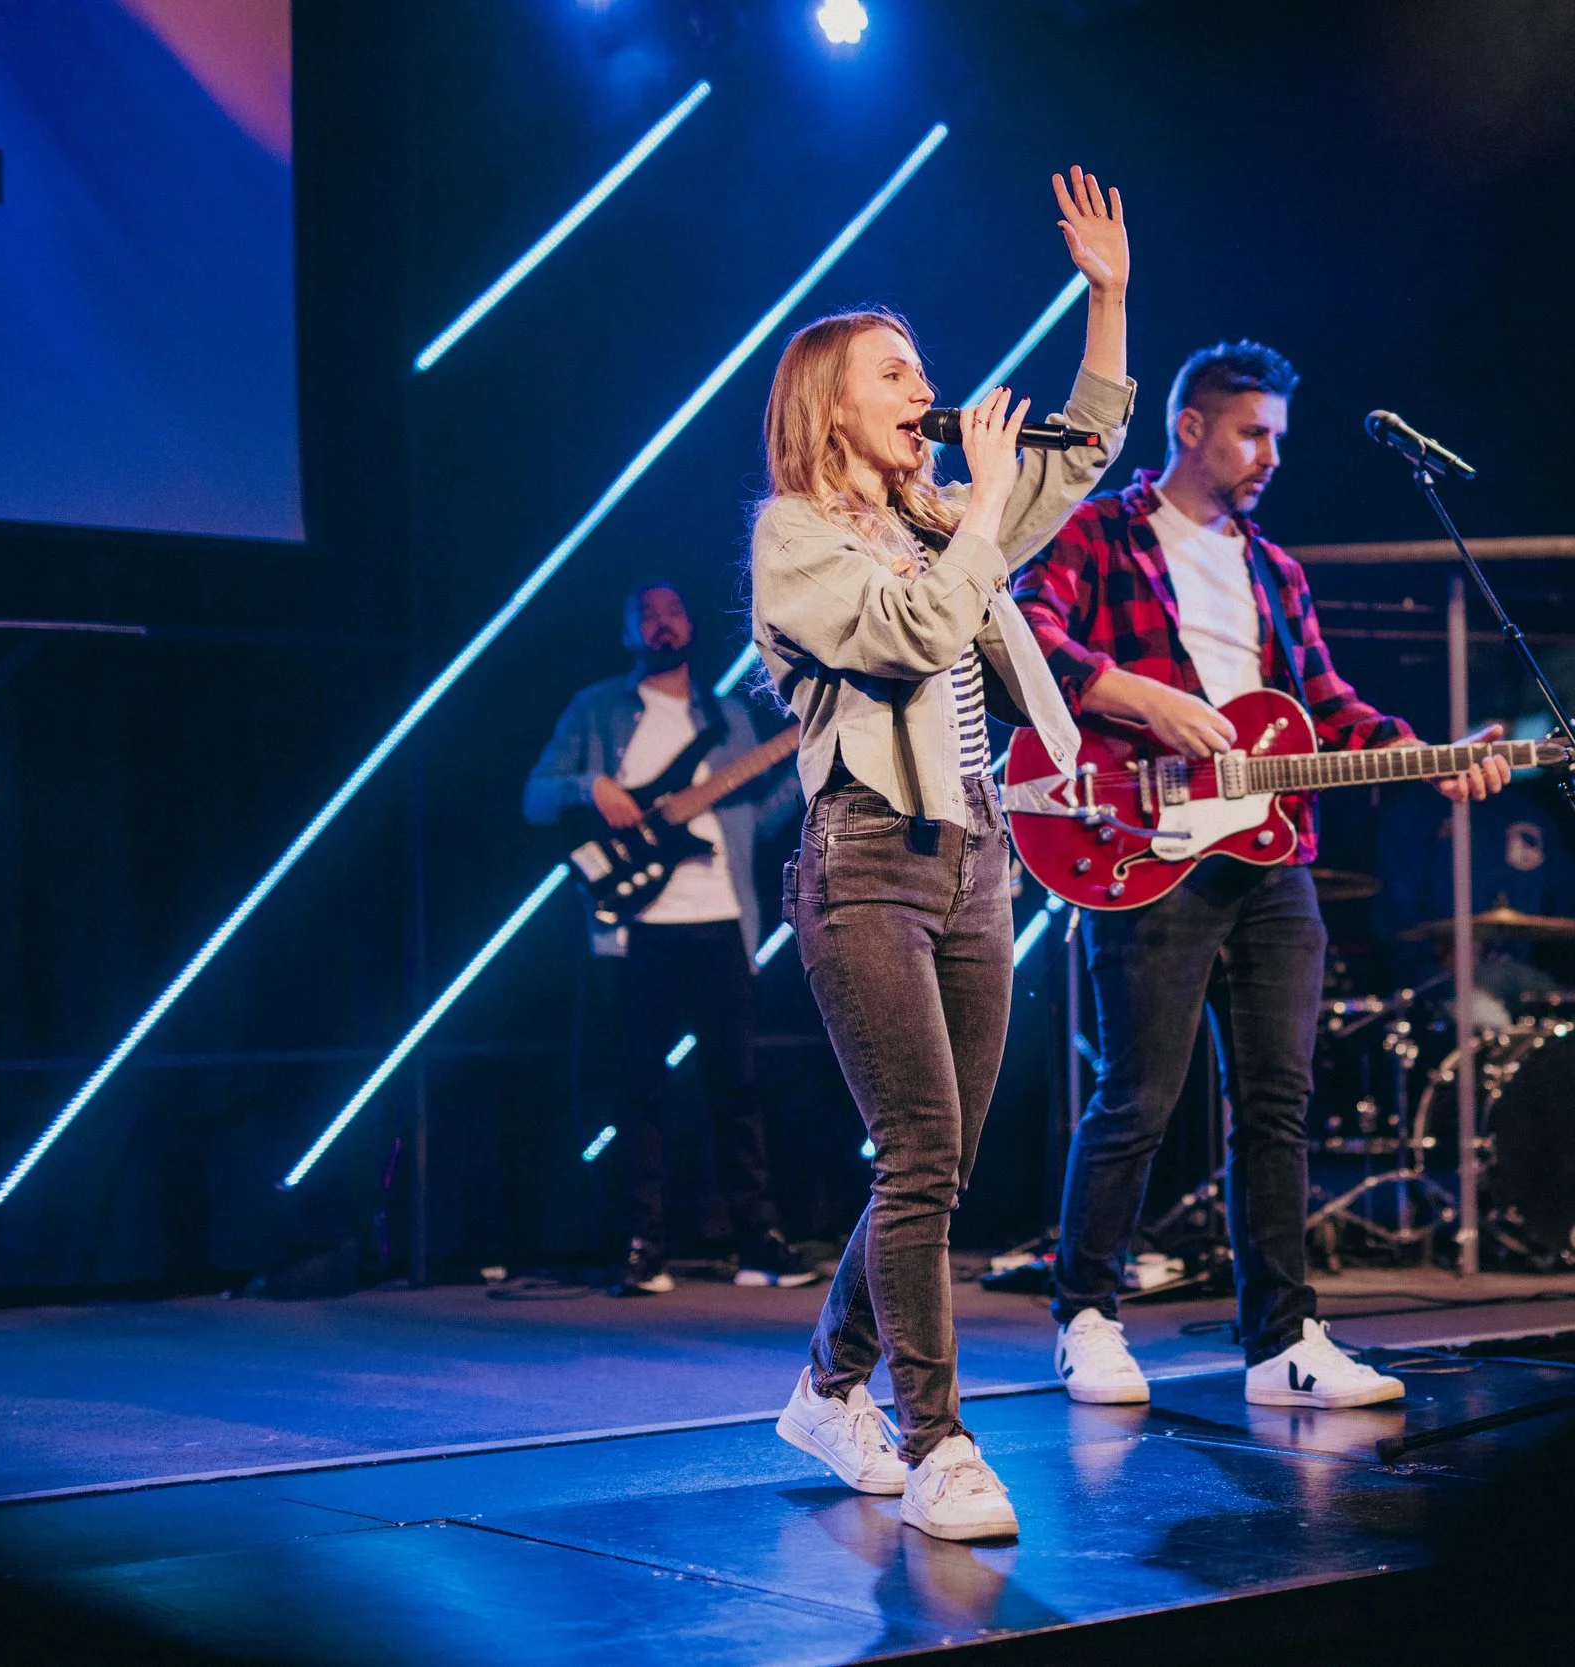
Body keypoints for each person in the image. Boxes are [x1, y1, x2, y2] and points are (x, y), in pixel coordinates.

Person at [1014, 340, 1511, 1411]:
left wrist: (1431, 752)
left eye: (1278, 436)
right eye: (1252, 431)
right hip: (1142, 840)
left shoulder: (1273, 569)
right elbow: (1022, 634)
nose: (1270, 455)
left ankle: (1281, 1339)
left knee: (1276, 1101)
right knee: (1138, 1095)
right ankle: (1086, 1313)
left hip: (1271, 854)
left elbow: (1327, 706)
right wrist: (1140, 698)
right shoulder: (1100, 533)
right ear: (1189, 427)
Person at [750, 168, 1133, 1541]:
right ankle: (939, 1440)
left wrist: (1109, 295)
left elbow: (1080, 451)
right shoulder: (793, 540)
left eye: (921, 369)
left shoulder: (938, 517)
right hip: (861, 863)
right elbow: (913, 634)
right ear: (831, 406)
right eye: (895, 374)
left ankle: (826, 1383)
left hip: (977, 854)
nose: (927, 389)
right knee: (918, 1149)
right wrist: (976, 516)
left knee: (941, 1161)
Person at [524, 582, 808, 1295]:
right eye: (644, 612)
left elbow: (762, 818)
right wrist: (593, 787)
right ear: (628, 632)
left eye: (673, 610)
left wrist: (812, 768)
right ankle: (640, 1241)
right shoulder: (597, 709)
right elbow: (535, 794)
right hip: (636, 928)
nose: (662, 621)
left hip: (722, 921)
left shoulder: (733, 718)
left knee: (737, 1085)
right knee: (639, 1087)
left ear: (690, 624)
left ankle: (758, 1238)